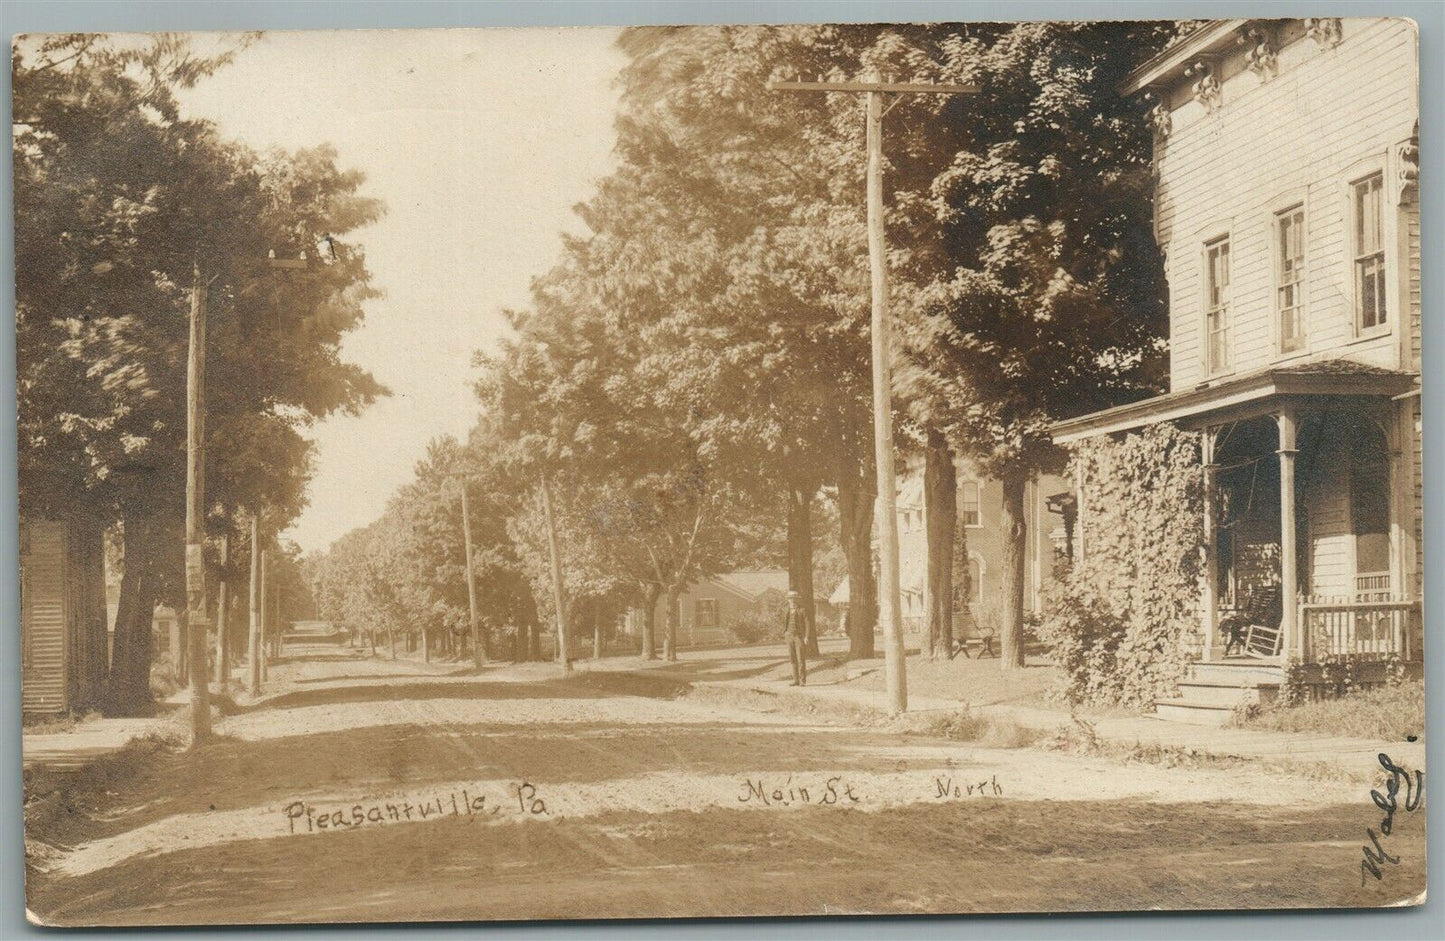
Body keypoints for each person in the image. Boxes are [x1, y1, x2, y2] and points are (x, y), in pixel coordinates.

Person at [782, 590, 807, 686]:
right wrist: (785, 633)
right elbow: (786, 622)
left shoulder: (802, 610)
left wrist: (806, 636)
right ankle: (796, 680)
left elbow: (808, 623)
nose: (792, 600)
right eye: (790, 599)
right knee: (792, 658)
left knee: (800, 658)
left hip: (799, 636)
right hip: (789, 636)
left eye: (794, 599)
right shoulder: (786, 610)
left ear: (797, 600)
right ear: (788, 600)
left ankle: (802, 680)